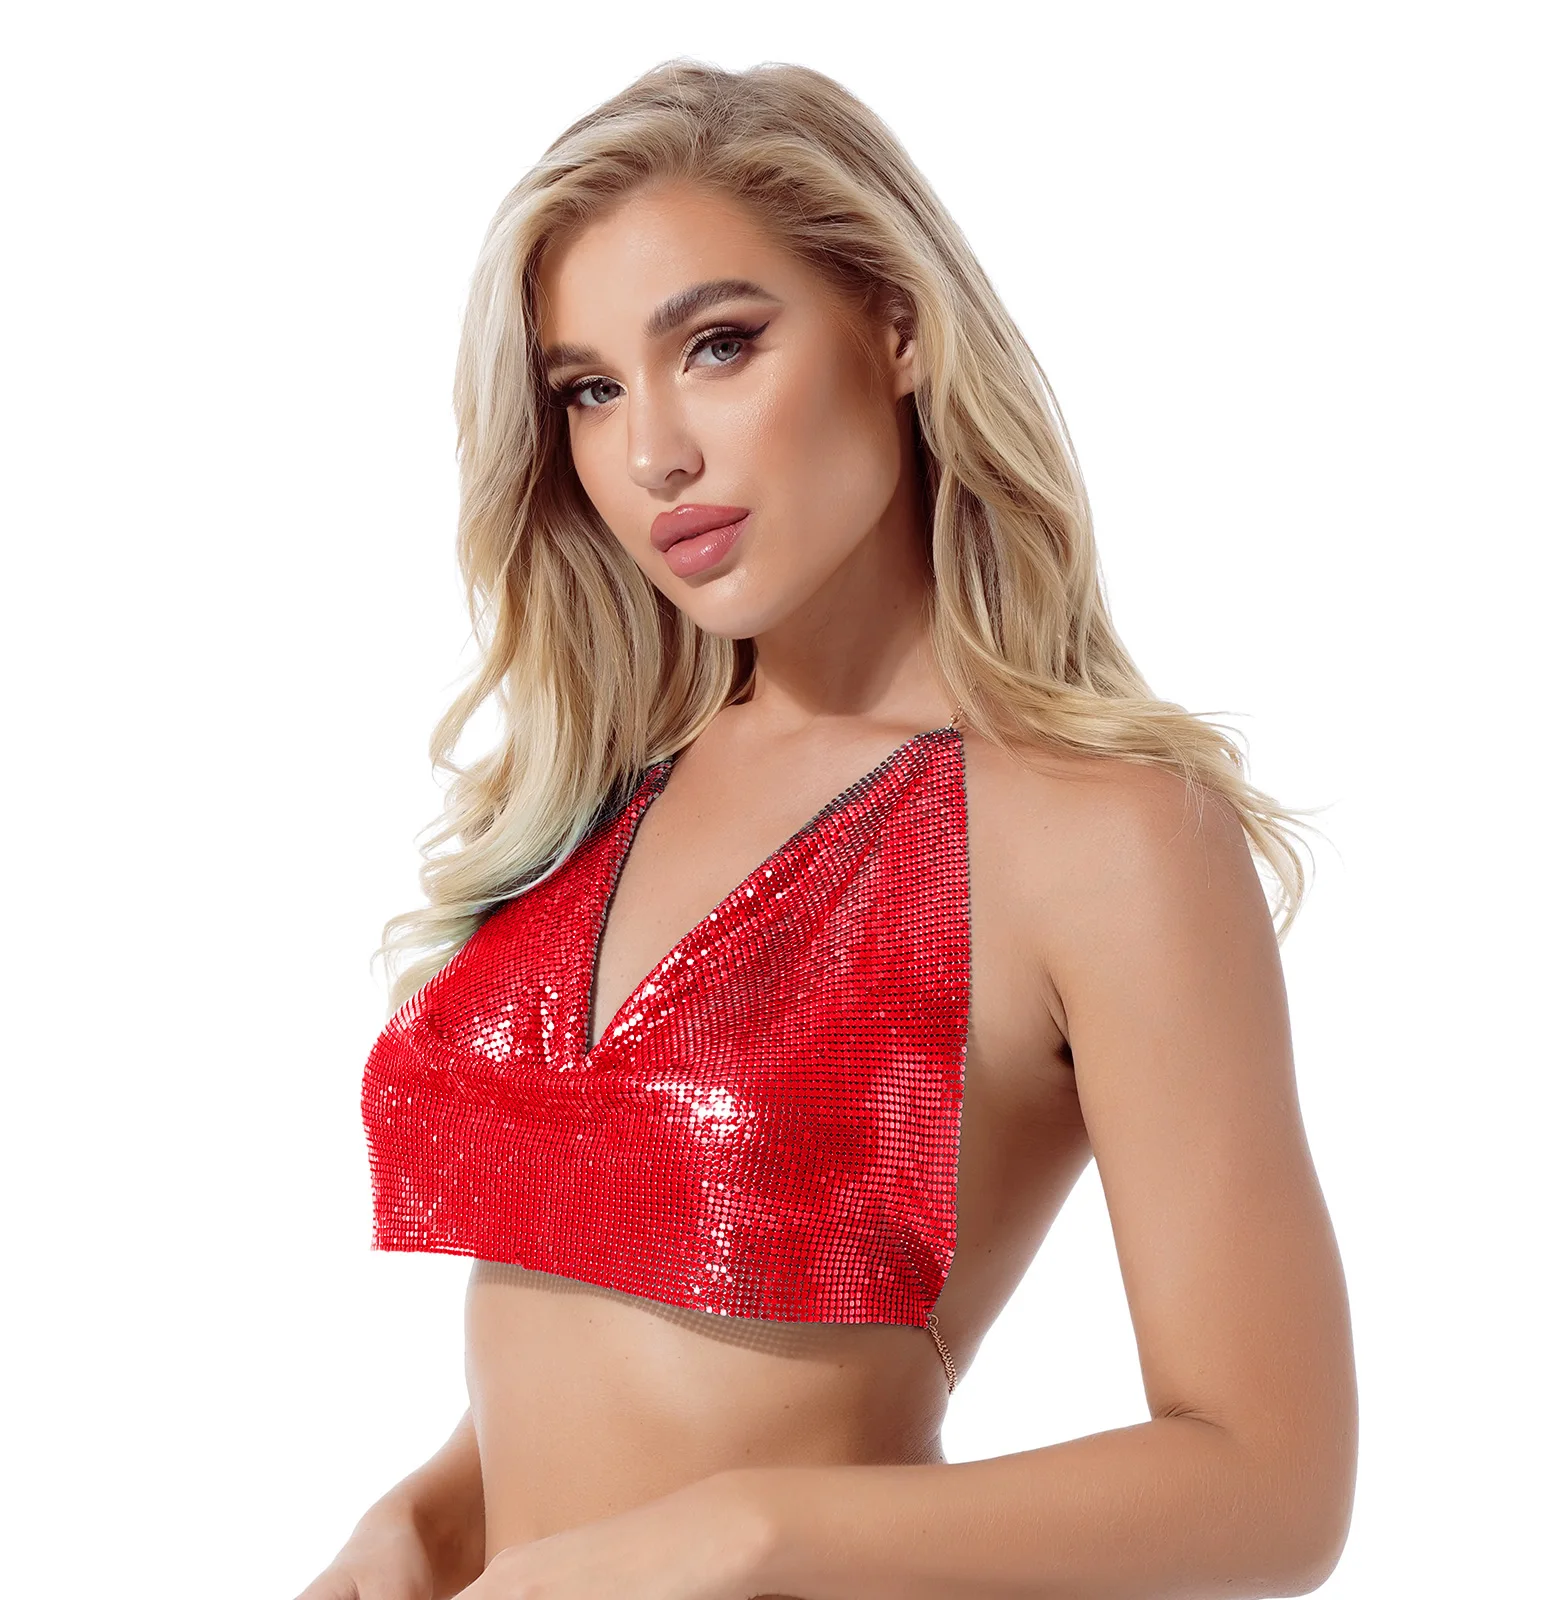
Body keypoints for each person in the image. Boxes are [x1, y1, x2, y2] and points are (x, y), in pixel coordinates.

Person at [298, 56, 1357, 1600]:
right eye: (591, 389)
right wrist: (430, 1521)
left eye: (717, 345)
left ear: (898, 327)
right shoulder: (613, 784)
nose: (653, 453)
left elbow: (1272, 1485)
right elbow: (616, 1327)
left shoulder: (1101, 839)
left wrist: (748, 1533)